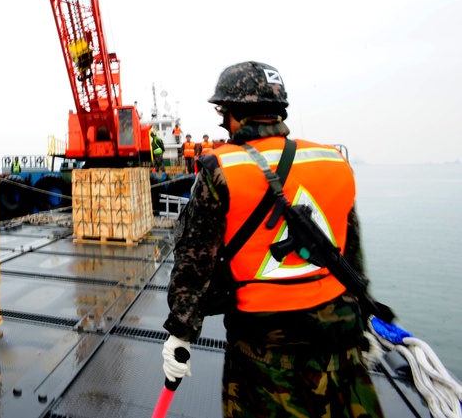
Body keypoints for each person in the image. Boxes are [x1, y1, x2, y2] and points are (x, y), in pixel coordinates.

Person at [161, 61, 384, 417]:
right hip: (340, 343)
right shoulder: (333, 160)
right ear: (279, 109)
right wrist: (364, 318)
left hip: (263, 354)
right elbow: (350, 253)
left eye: (223, 113)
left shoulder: (221, 168)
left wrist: (180, 334)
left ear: (232, 113)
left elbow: (194, 263)